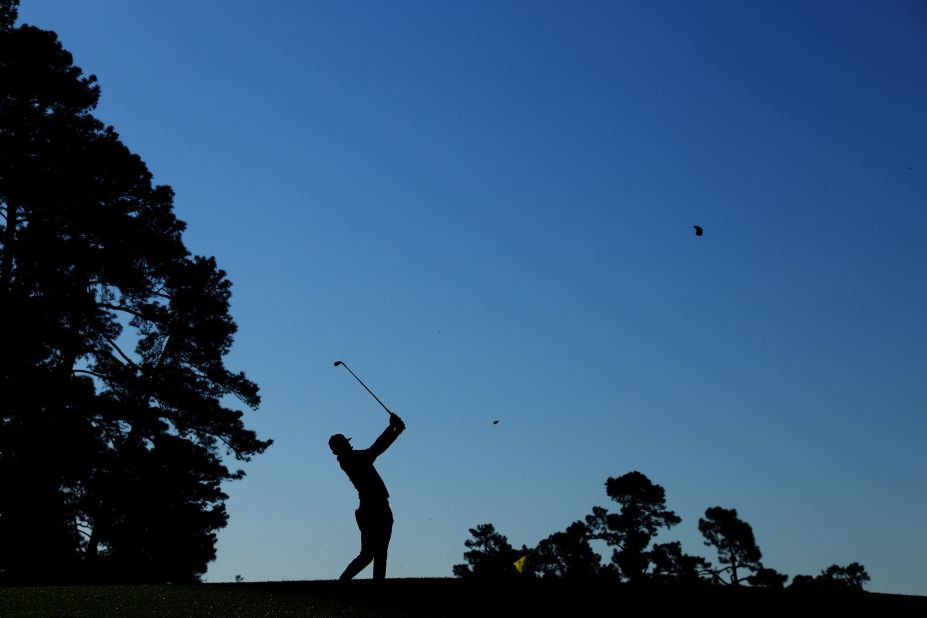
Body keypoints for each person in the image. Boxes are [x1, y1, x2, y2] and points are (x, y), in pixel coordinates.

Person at [329, 411, 406, 580]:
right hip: (374, 508)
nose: (350, 446)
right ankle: (344, 583)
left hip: (371, 508)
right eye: (346, 444)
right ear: (341, 448)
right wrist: (392, 428)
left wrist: (395, 430)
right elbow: (375, 450)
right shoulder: (351, 459)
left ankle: (349, 584)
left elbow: (377, 450)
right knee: (373, 554)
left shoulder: (350, 459)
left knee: (372, 554)